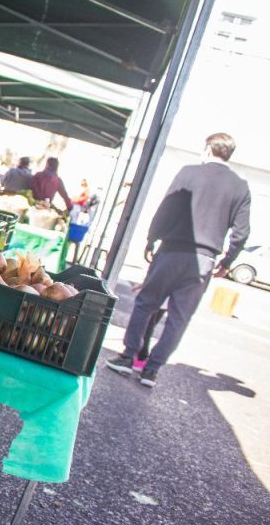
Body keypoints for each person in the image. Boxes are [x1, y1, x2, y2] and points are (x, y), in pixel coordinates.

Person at [106, 132, 251, 388]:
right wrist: (227, 262)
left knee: (145, 304)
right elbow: (241, 233)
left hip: (172, 251)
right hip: (205, 260)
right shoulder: (240, 186)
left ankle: (128, 357)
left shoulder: (188, 173)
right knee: (178, 318)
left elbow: (167, 208)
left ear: (208, 149)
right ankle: (151, 370)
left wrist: (151, 239)